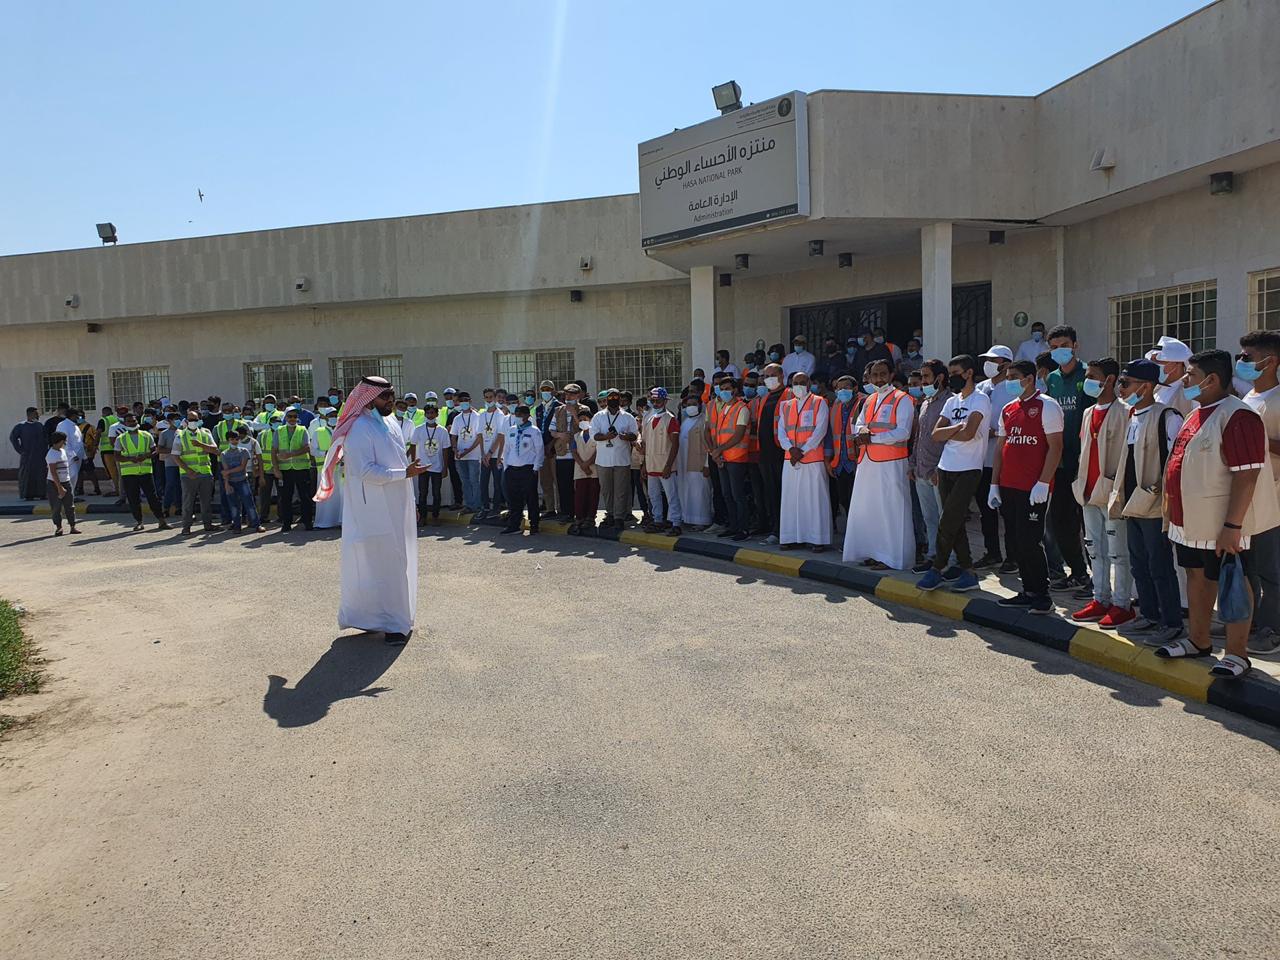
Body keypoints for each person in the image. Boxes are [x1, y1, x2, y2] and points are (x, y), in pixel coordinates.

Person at [1154, 349, 1280, 679]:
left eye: (1191, 375)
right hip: (1189, 521)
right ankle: (1198, 640)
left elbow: (1246, 475)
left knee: (1234, 582)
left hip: (1222, 524)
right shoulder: (1196, 414)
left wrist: (1232, 525)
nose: (1185, 380)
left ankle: (1237, 654)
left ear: (1211, 379)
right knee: (1196, 576)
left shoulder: (1238, 417)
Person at [314, 376, 426, 645]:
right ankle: (391, 624)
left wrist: (410, 502)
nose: (390, 401)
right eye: (385, 397)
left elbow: (400, 462)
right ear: (368, 398)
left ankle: (386, 618)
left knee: (396, 561)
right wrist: (405, 473)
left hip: (397, 503)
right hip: (372, 507)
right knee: (379, 563)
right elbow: (365, 471)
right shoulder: (359, 428)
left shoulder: (391, 422)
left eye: (392, 396)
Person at [1111, 359, 1184, 646]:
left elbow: (1177, 461)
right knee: (1139, 564)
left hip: (1153, 505)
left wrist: (1158, 491)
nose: (1121, 388)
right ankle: (1149, 615)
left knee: (1160, 566)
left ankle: (1172, 622)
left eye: (1126, 383)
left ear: (1147, 386)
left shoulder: (1167, 416)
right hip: (1133, 505)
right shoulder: (1133, 416)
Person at [990, 360, 1064, 615]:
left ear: (1030, 378)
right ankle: (1028, 591)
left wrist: (1043, 482)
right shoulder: (1008, 408)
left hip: (1034, 488)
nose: (1009, 381)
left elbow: (1056, 447)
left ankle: (1042, 595)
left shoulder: (1047, 406)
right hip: (1008, 485)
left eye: (1014, 376)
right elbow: (1000, 449)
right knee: (1016, 540)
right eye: (1007, 376)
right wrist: (994, 484)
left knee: (1031, 541)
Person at [1069, 358, 1134, 627]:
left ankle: (1122, 603)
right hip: (1088, 489)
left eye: (1093, 376)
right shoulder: (1088, 412)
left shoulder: (1126, 412)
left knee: (1118, 552)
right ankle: (1100, 598)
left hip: (1112, 491)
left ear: (1109, 379)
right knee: (1094, 548)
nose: (1087, 381)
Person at [915, 356, 989, 591]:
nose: (952, 377)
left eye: (956, 373)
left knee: (948, 520)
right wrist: (957, 427)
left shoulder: (980, 399)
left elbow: (969, 434)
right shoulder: (952, 401)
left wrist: (951, 431)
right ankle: (968, 571)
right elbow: (936, 434)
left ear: (968, 373)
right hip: (946, 466)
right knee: (953, 521)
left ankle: (937, 568)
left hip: (969, 468)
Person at [842, 360, 915, 569]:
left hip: (891, 463)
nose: (878, 379)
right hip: (868, 462)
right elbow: (859, 424)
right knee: (870, 510)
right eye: (874, 375)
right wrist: (862, 431)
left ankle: (893, 558)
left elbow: (903, 432)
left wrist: (872, 438)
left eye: (883, 374)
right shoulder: (870, 399)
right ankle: (874, 553)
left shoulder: (903, 399)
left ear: (891, 375)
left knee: (892, 511)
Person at [1238, 330, 1280, 655]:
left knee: (1271, 569)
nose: (1241, 362)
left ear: (1270, 362)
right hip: (1246, 496)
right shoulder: (1247, 398)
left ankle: (1272, 629)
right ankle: (1249, 622)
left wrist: (1259, 439)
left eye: (1247, 357)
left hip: (1274, 498)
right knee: (1247, 565)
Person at [1045, 324, 1092, 591]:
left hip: (1085, 461)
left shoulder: (1089, 375)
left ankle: (1098, 580)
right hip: (1060, 462)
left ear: (1075, 345)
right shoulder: (1052, 379)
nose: (1059, 351)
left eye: (1064, 345)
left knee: (1089, 524)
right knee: (1061, 520)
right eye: (1054, 348)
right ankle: (1078, 572)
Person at [776, 372, 831, 551]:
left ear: (809, 383)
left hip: (812, 459)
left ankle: (817, 539)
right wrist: (790, 449)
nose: (798, 386)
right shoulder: (785, 405)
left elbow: (820, 431)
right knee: (791, 499)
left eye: (802, 382)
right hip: (790, 459)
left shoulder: (819, 402)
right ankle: (791, 537)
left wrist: (802, 451)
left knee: (814, 500)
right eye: (795, 383)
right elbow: (781, 431)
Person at [974, 345, 1017, 571]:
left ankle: (1013, 556)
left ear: (1006, 363)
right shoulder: (981, 387)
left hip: (1004, 459)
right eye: (987, 359)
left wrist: (997, 432)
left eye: (994, 360)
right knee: (986, 510)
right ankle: (992, 552)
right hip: (981, 458)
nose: (988, 364)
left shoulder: (1013, 388)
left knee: (1008, 512)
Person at [907, 360, 951, 573]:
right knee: (930, 518)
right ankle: (933, 556)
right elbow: (919, 437)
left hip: (938, 472)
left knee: (945, 519)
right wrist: (912, 463)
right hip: (921, 470)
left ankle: (950, 560)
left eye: (926, 377)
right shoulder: (925, 403)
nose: (922, 381)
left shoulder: (951, 402)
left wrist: (940, 468)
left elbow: (951, 440)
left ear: (939, 378)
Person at [707, 377, 752, 541]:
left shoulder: (742, 408)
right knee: (727, 494)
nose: (724, 391)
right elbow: (717, 433)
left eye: (727, 388)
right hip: (723, 458)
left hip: (736, 457)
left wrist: (718, 450)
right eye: (722, 388)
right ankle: (733, 526)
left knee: (737, 494)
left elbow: (738, 435)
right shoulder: (723, 408)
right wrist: (716, 452)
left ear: (735, 390)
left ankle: (743, 528)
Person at [591, 388, 639, 530]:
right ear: (606, 399)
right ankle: (610, 514)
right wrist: (606, 437)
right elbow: (594, 435)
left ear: (619, 399)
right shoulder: (598, 416)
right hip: (603, 460)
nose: (613, 400)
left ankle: (619, 517)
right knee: (607, 490)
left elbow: (634, 435)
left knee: (621, 490)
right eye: (610, 397)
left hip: (622, 460)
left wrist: (626, 437)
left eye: (616, 397)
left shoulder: (628, 417)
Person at [114, 413, 168, 531]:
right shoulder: (121, 438)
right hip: (129, 473)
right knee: (133, 499)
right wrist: (130, 459)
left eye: (133, 421)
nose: (132, 423)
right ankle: (139, 522)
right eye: (129, 421)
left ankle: (161, 520)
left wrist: (146, 456)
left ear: (137, 421)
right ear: (125, 423)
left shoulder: (146, 435)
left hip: (145, 471)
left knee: (153, 497)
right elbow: (117, 456)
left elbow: (154, 451)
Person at [640, 387, 683, 536]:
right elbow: (646, 444)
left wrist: (668, 466)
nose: (655, 404)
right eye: (653, 401)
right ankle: (657, 520)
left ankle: (676, 523)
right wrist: (644, 465)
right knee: (653, 496)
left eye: (658, 401)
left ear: (665, 401)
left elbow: (675, 444)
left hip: (666, 466)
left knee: (672, 496)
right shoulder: (649, 419)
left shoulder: (670, 419)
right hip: (651, 464)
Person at [174, 411, 221, 535]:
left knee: (206, 502)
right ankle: (186, 527)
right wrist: (188, 470)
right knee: (188, 502)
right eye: (190, 420)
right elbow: (175, 456)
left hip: (205, 472)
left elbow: (215, 450)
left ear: (199, 420)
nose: (193, 422)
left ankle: (208, 525)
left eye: (195, 419)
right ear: (186, 421)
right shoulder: (180, 435)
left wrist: (200, 445)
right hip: (188, 475)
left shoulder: (206, 433)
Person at [500, 404, 545, 535]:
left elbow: (539, 450)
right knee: (513, 498)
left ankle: (534, 524)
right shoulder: (511, 430)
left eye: (520, 415)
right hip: (512, 469)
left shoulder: (534, 431)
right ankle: (514, 525)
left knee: (531, 497)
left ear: (527, 416)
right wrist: (506, 466)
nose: (517, 417)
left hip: (528, 468)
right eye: (516, 414)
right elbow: (506, 449)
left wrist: (536, 467)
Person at [826, 375, 860, 535]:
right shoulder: (836, 406)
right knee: (844, 500)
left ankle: (858, 535)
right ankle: (851, 534)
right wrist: (828, 460)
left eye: (846, 387)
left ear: (855, 388)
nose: (842, 391)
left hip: (857, 462)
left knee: (858, 502)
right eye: (838, 388)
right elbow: (830, 435)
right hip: (840, 462)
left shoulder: (863, 403)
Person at [275, 407, 315, 532]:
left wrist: (291, 454)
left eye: (294, 416)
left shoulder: (302, 430)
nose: (292, 419)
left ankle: (307, 522)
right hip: (285, 469)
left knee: (305, 497)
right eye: (290, 416)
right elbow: (274, 450)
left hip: (301, 468)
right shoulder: (279, 430)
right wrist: (276, 469)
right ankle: (286, 523)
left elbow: (307, 447)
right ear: (285, 418)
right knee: (285, 497)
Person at [677, 393, 713, 529]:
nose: (691, 407)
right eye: (688, 405)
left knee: (700, 492)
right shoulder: (685, 421)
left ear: (700, 405)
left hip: (699, 464)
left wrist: (707, 465)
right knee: (687, 491)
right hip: (684, 463)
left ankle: (702, 521)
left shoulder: (704, 421)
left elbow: (709, 444)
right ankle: (688, 518)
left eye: (694, 404)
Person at [407, 401, 447, 524]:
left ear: (437, 414)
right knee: (422, 493)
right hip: (423, 467)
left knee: (436, 493)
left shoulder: (442, 431)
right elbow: (413, 445)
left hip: (437, 466)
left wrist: (445, 467)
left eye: (432, 413)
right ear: (425, 414)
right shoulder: (419, 429)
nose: (430, 415)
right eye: (428, 413)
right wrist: (414, 462)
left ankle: (435, 516)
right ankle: (423, 517)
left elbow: (445, 449)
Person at [547, 383, 581, 521]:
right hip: (562, 453)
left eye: (572, 394)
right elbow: (552, 430)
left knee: (577, 486)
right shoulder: (558, 410)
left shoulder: (584, 409)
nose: (568, 397)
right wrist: (560, 435)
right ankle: (566, 512)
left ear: (578, 395)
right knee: (563, 484)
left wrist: (574, 413)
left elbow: (586, 427)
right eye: (567, 394)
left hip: (577, 453)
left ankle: (578, 512)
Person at [221, 425, 263, 533]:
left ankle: (256, 524)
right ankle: (237, 526)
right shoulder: (224, 454)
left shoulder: (244, 451)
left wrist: (228, 472)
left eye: (236, 439)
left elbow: (242, 467)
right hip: (231, 482)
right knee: (234, 506)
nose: (234, 441)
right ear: (228, 440)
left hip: (242, 481)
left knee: (249, 504)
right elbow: (225, 470)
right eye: (232, 439)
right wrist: (226, 484)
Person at [448, 391, 483, 513]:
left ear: (470, 401)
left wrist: (468, 451)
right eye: (461, 400)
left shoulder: (477, 417)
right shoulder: (457, 418)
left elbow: (479, 437)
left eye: (466, 400)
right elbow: (453, 436)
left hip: (473, 455)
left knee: (474, 481)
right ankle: (469, 505)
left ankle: (477, 506)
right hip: (460, 456)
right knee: (465, 482)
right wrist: (455, 449)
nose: (464, 402)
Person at [477, 389, 509, 521]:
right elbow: (480, 435)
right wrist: (483, 454)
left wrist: (490, 453)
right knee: (483, 483)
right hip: (485, 456)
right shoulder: (482, 415)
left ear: (495, 398)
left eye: (491, 397)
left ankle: (496, 508)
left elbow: (500, 436)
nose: (489, 399)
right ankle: (485, 508)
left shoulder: (500, 415)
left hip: (495, 455)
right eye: (486, 397)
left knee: (497, 484)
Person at [569, 406, 599, 535]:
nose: (582, 422)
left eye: (585, 419)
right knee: (580, 495)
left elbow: (597, 451)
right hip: (580, 469)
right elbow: (574, 451)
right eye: (580, 420)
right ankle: (579, 517)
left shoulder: (596, 435)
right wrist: (582, 465)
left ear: (591, 420)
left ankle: (590, 517)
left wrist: (587, 464)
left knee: (593, 494)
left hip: (593, 470)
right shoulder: (576, 436)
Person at [534, 380, 561, 515]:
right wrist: (542, 447)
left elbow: (561, 429)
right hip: (542, 450)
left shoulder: (559, 407)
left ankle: (561, 508)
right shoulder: (538, 409)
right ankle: (550, 509)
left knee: (558, 480)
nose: (545, 392)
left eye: (548, 389)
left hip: (556, 449)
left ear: (553, 391)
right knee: (545, 481)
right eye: (543, 389)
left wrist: (551, 445)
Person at [45, 431, 79, 536]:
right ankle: (59, 527)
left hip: (66, 481)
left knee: (70, 505)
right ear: (59, 441)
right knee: (56, 506)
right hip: (54, 483)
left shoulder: (63, 451)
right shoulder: (51, 454)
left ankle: (72, 526)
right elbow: (53, 472)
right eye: (63, 441)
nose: (64, 443)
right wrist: (59, 487)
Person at [1151, 336, 1196, 416]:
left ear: (1176, 363)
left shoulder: (1192, 390)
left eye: (1158, 360)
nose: (1153, 365)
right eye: (1152, 360)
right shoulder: (1154, 389)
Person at [10, 407, 47, 500]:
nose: (38, 416)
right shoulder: (21, 426)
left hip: (40, 456)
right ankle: (28, 495)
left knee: (41, 474)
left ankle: (42, 493)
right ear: (30, 414)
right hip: (28, 456)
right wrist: (20, 450)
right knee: (27, 475)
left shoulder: (40, 426)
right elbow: (13, 438)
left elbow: (45, 439)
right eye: (36, 414)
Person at [158, 411, 183, 517]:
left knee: (180, 486)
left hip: (182, 463)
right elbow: (160, 449)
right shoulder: (164, 433)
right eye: (175, 419)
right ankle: (166, 508)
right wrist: (173, 450)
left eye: (178, 419)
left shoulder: (183, 432)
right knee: (170, 484)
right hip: (170, 463)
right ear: (169, 421)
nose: (177, 421)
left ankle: (179, 507)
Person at [96, 404, 122, 500]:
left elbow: (98, 433)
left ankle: (116, 489)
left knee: (111, 470)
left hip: (107, 449)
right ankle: (120, 488)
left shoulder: (103, 420)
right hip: (118, 448)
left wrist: (95, 445)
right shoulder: (117, 420)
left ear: (104, 413)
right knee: (118, 470)